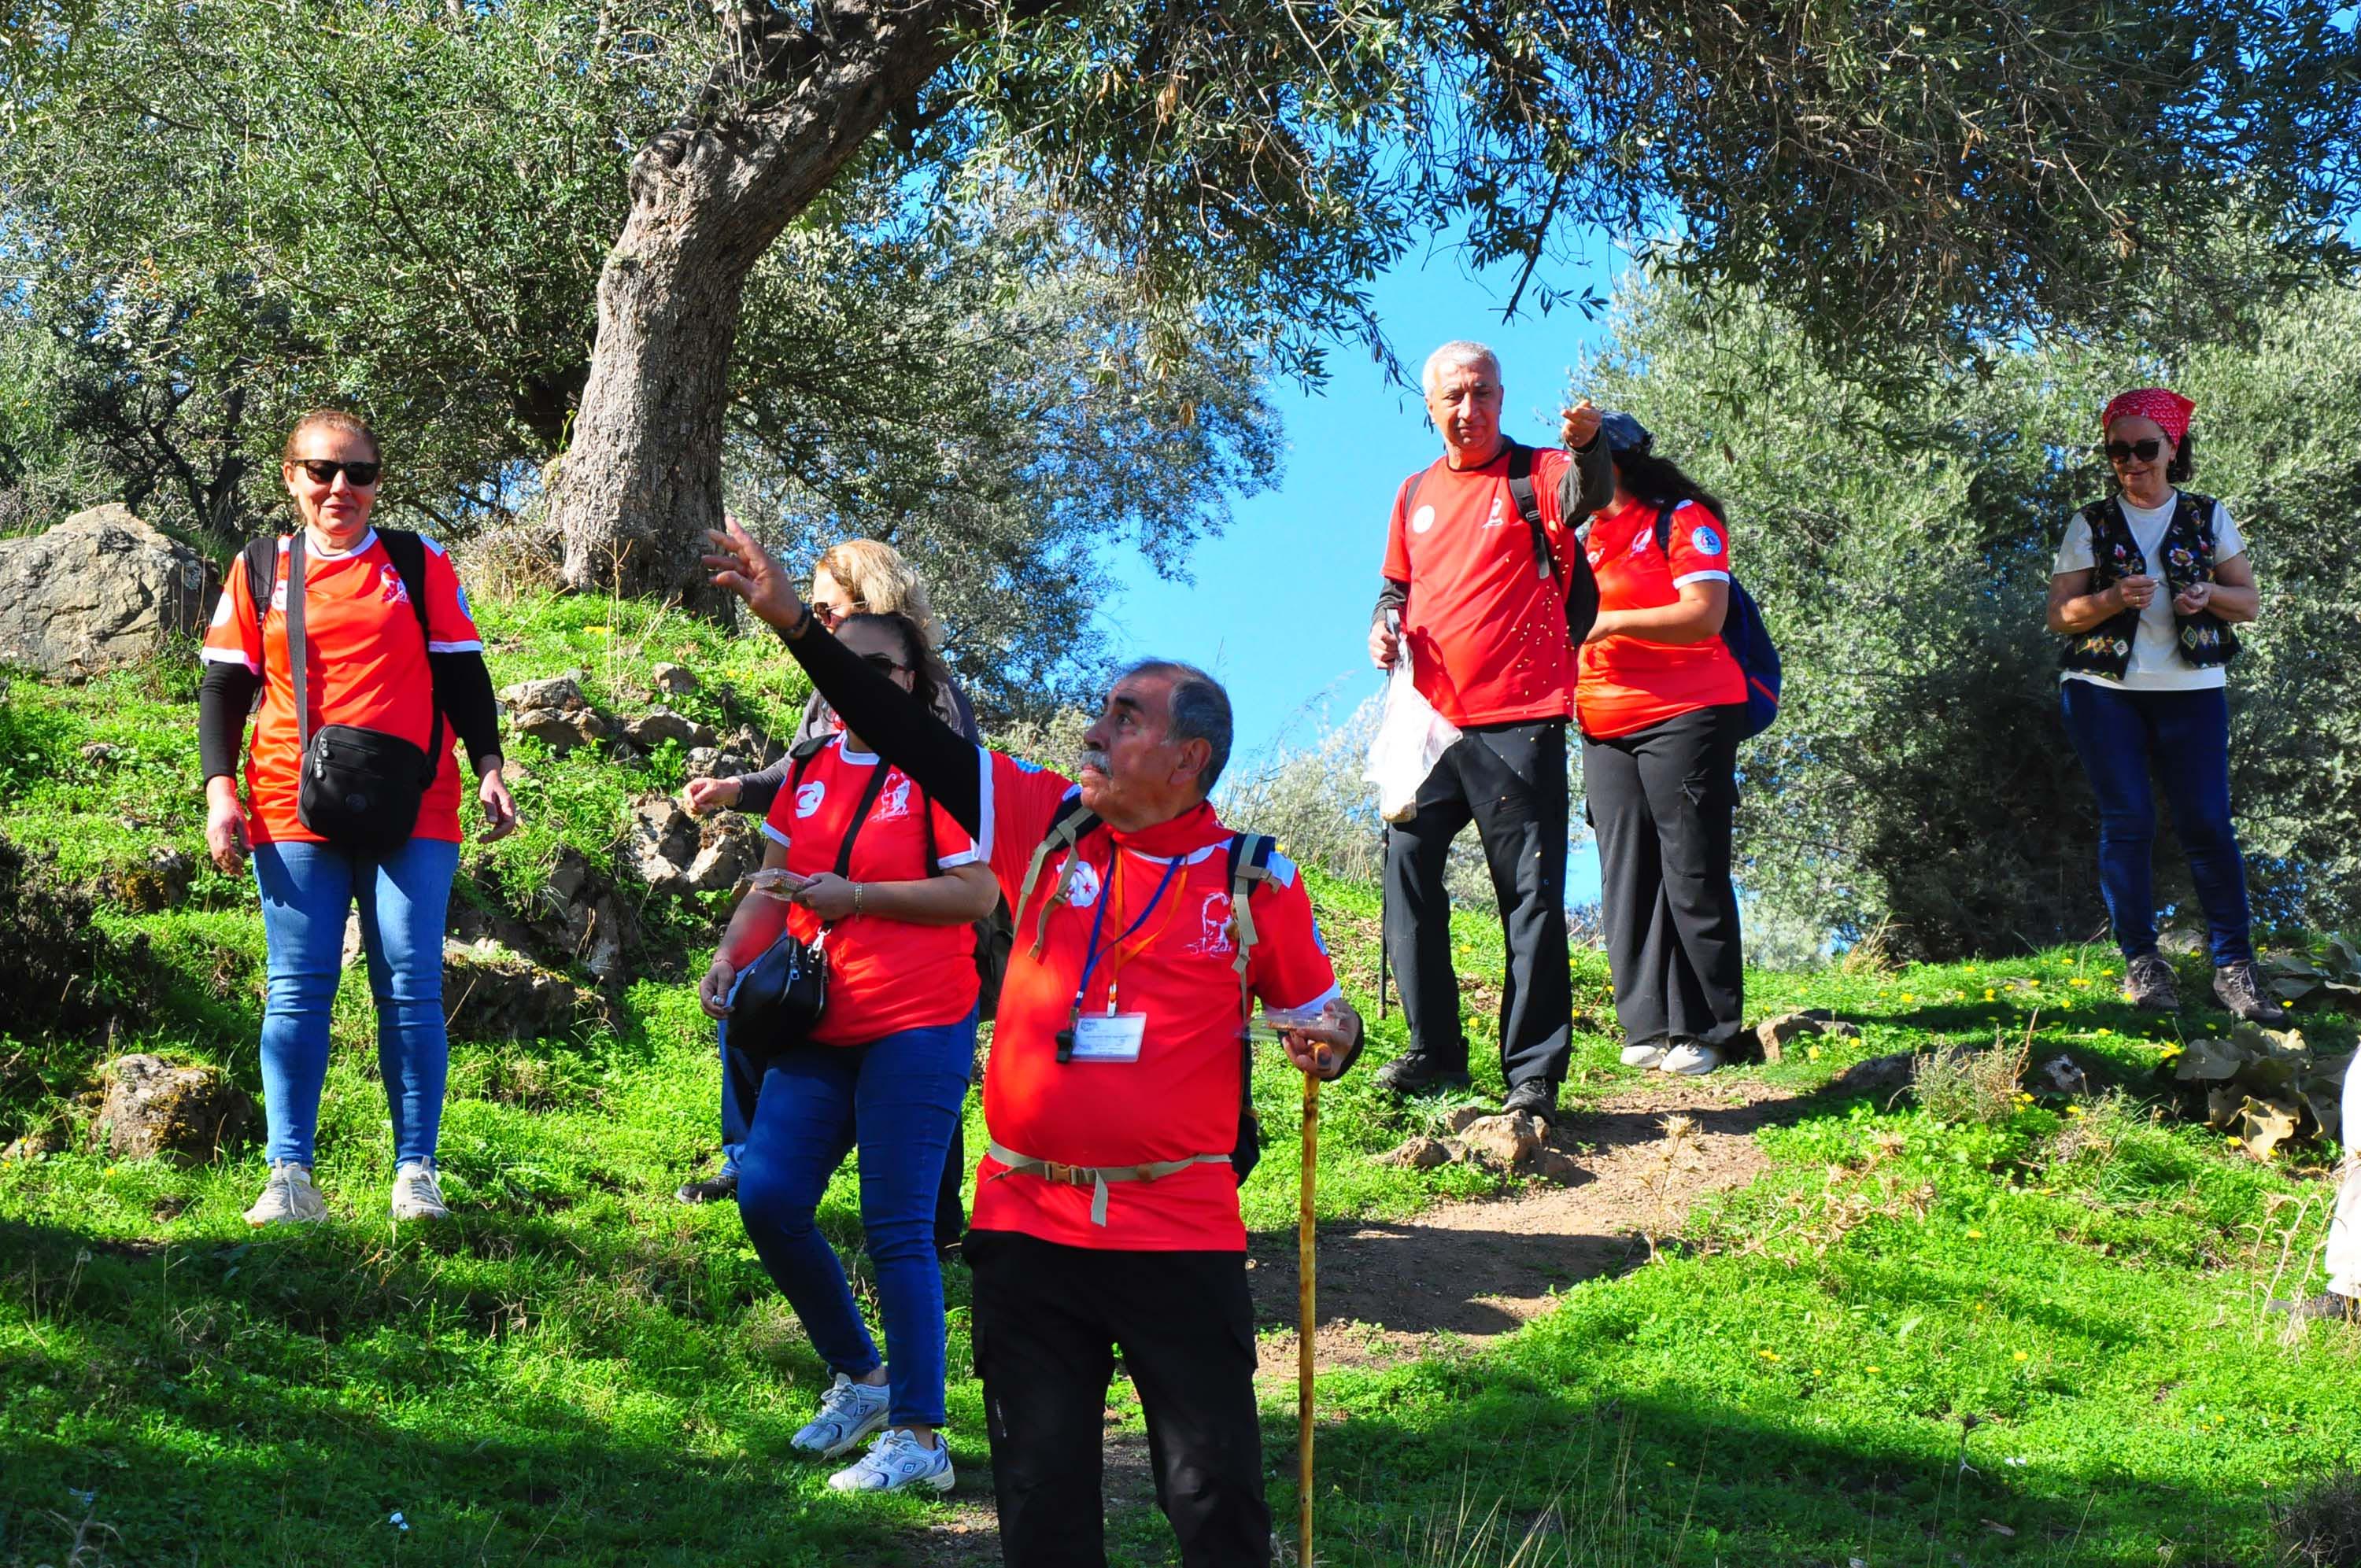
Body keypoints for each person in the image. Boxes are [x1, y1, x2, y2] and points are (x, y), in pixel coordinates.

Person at [704, 517, 1362, 1568]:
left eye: (1125, 719)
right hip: (1027, 1226)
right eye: (1100, 710)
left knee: (1213, 1498)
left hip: (1178, 1230)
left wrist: (1335, 1039)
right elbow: (902, 727)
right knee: (1041, 1504)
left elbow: (1323, 1015)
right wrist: (794, 622)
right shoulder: (1039, 821)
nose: (1092, 731)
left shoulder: (1252, 880)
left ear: (1189, 758)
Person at [698, 611, 998, 1493]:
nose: (857, 678)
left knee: (898, 1227)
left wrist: (857, 895)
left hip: (920, 1023)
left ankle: (921, 1435)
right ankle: (864, 1378)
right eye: (844, 663)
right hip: (822, 1024)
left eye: (879, 665)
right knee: (768, 1196)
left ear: (915, 679)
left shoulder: (941, 770)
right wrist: (730, 956)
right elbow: (771, 884)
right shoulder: (810, 769)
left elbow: (976, 894)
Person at [198, 408, 516, 1226]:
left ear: (377, 482)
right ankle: (289, 1176)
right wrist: (220, 790)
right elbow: (226, 687)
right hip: (287, 799)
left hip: (416, 802)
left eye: (359, 473)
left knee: (409, 983)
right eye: (321, 470)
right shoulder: (261, 566)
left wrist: (490, 765)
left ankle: (416, 1171)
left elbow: (463, 673)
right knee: (298, 987)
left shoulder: (416, 562)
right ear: (291, 477)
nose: (340, 487)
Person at [677, 537, 984, 1238]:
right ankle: (748, 1159)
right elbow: (801, 773)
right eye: (812, 611)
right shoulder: (826, 692)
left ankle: (936, 1213)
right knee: (749, 999)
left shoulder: (932, 700)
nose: (815, 619)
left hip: (914, 947)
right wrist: (736, 790)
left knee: (917, 1076)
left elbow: (963, 821)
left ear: (870, 603)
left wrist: (863, 892)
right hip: (821, 924)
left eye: (825, 608)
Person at [1365, 340, 1613, 1122]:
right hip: (1428, 726)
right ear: (1429, 407)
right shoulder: (1413, 493)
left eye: (1482, 393)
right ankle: (1434, 1052)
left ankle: (1532, 1073)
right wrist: (1382, 626)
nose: (1468, 409)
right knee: (1407, 877)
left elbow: (1588, 492)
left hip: (1521, 717)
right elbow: (1394, 589)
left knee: (1530, 897)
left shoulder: (1538, 474)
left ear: (1501, 398)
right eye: (1453, 396)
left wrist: (1590, 446)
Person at [2045, 387, 2282, 1023]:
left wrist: (2207, 594)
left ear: (2172, 448)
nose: (2132, 461)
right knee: (2129, 821)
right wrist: (2111, 598)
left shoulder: (2207, 515)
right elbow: (2060, 614)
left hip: (2192, 689)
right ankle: (2144, 964)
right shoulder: (2091, 522)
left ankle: (2235, 968)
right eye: (2118, 451)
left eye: (2145, 448)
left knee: (2208, 822)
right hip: (2102, 690)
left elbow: (2249, 602)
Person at [1576, 414, 1749, 1076]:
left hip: (1688, 710)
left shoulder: (1682, 518)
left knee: (1691, 865)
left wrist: (1612, 621)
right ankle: (1647, 1023)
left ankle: (1707, 1027)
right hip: (1604, 722)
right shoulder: (1587, 536)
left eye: (1587, 463)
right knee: (1626, 871)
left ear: (1614, 465)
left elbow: (1705, 612)